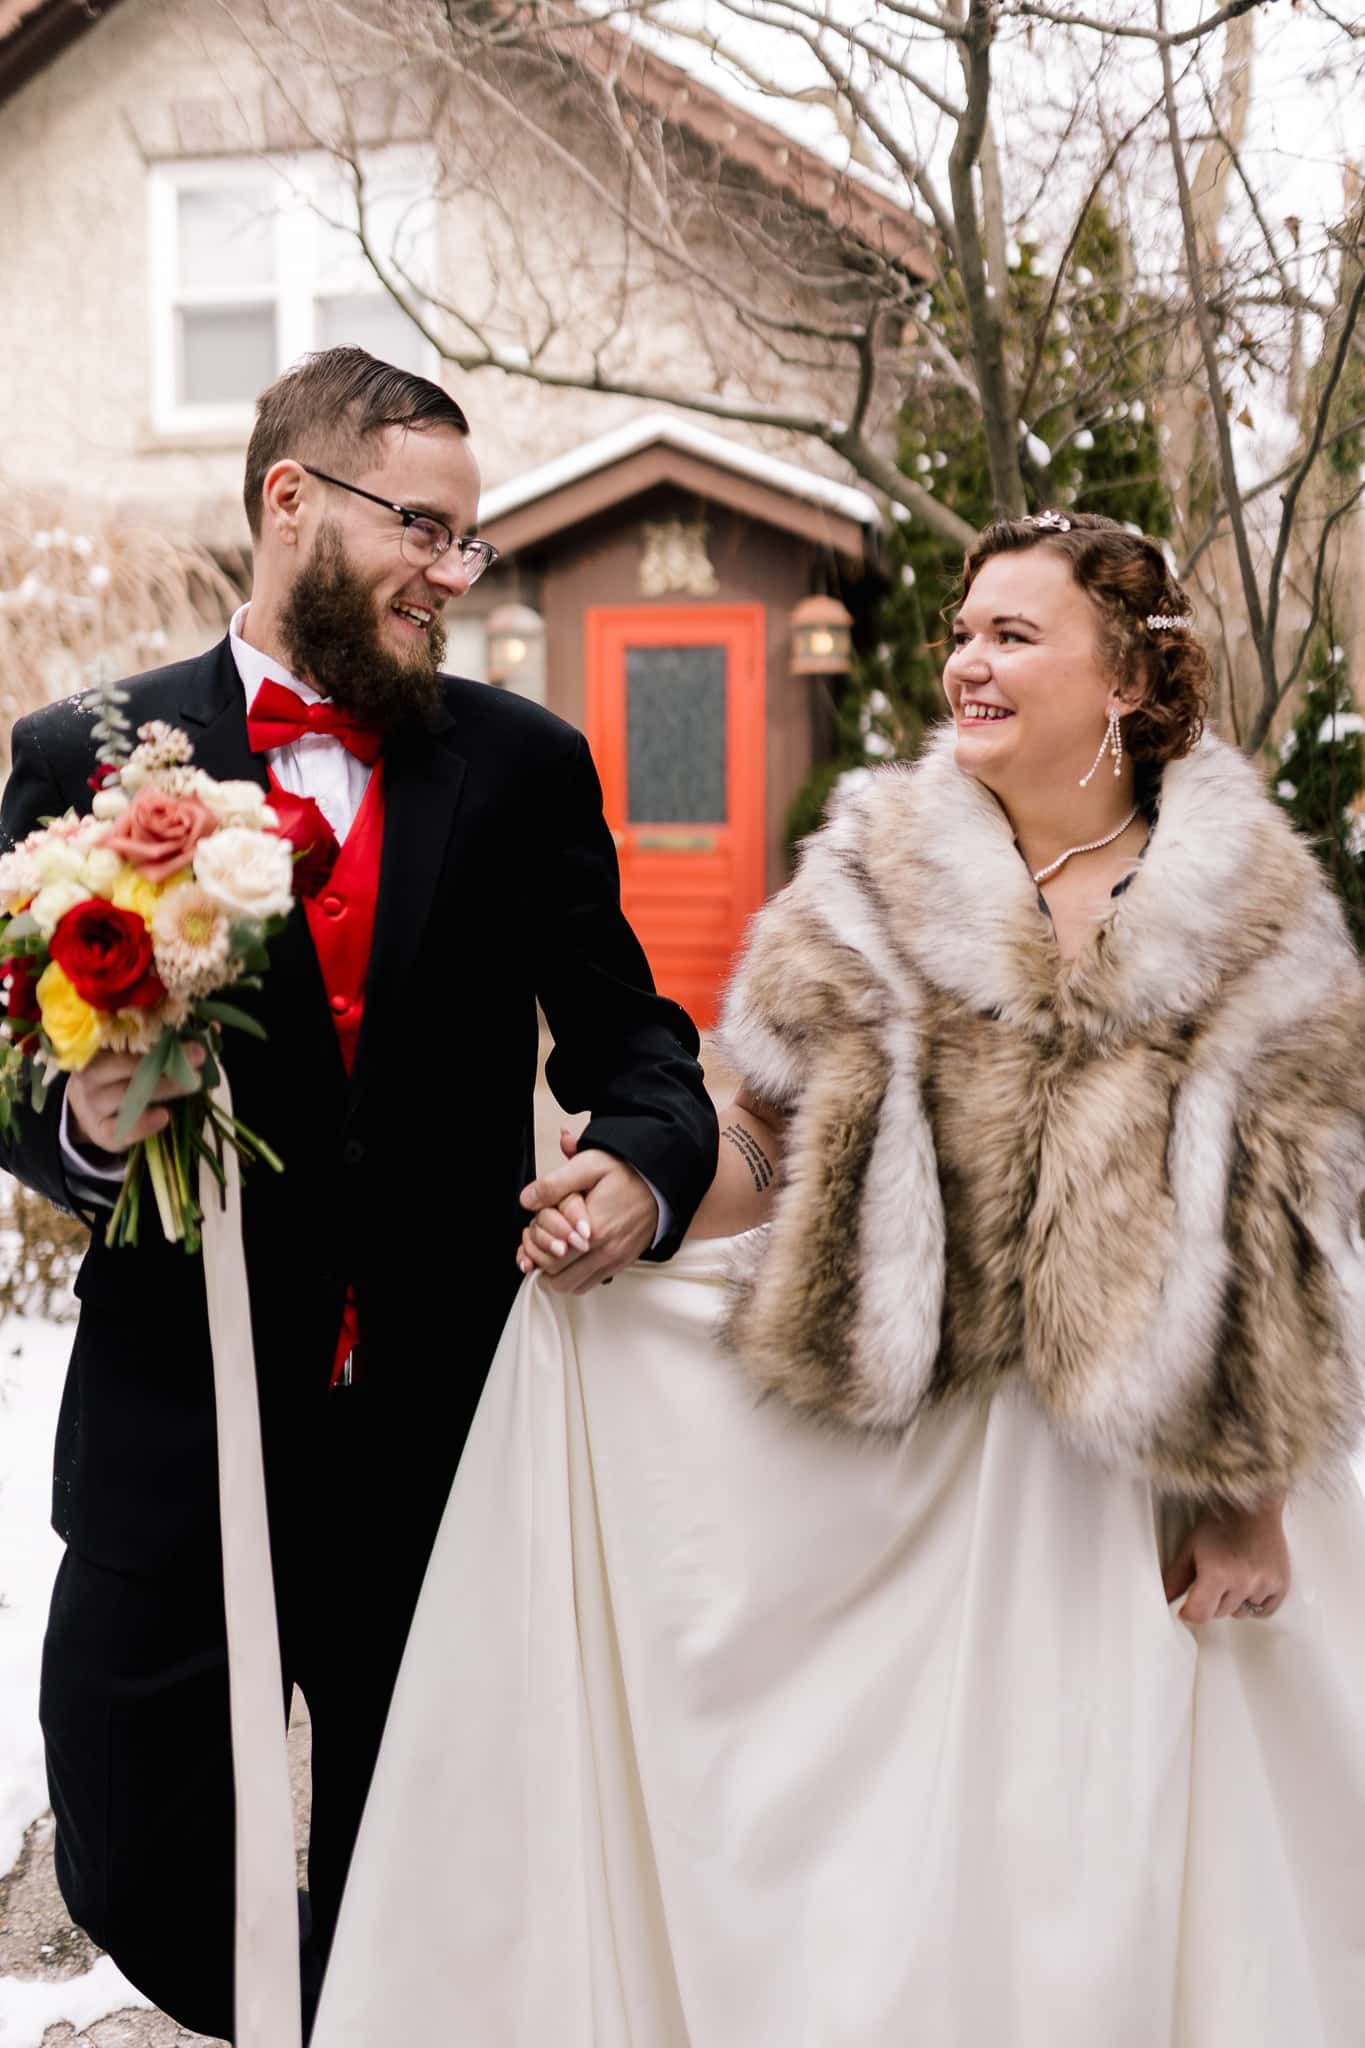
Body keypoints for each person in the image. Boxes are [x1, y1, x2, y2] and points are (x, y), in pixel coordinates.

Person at [309, 512, 1365, 2048]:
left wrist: (1250, 1490)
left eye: (1013, 634)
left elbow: (1292, 1209)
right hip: (919, 1450)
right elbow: (767, 1128)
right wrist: (642, 1201)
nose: (965, 662)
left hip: (1131, 1466)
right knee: (901, 1867)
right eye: (960, 631)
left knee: (1110, 1858)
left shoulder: (1250, 903)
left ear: (1129, 675)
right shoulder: (875, 870)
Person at [0, 346, 718, 2041]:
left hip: (434, 1444)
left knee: (441, 1851)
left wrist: (637, 1171)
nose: (449, 573)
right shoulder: (83, 754)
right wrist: (91, 1122)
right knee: (122, 1838)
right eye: (423, 528)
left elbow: (644, 1049)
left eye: (468, 543)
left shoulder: (524, 767)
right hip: (178, 1426)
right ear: (290, 500)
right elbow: (14, 1076)